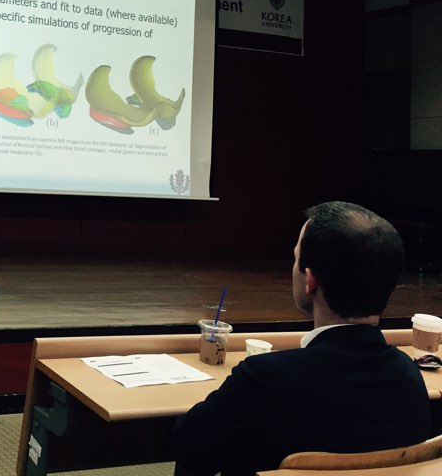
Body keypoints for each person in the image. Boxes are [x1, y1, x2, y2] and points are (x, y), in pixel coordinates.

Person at [171, 201, 432, 476]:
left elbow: (187, 445)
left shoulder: (264, 377)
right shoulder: (409, 377)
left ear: (310, 280)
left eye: (295, 258)